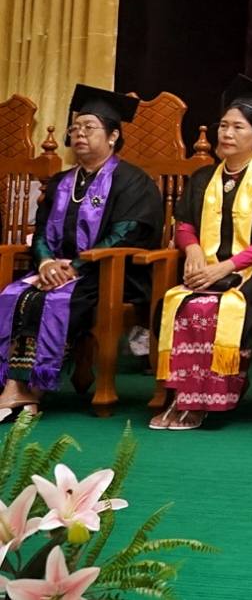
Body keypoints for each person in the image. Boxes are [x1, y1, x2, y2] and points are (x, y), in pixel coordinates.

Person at [152, 75, 252, 430]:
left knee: (213, 307)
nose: (227, 133)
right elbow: (185, 224)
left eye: (238, 127)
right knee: (179, 301)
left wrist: (226, 267)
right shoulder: (203, 178)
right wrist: (193, 250)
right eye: (223, 125)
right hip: (206, 268)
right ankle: (181, 394)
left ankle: (208, 398)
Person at [0, 86, 162, 421]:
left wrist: (75, 267)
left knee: (57, 300)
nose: (79, 134)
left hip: (112, 275)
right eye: (75, 128)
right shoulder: (61, 182)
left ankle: (28, 389)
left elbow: (127, 233)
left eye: (89, 127)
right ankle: (15, 387)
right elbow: (41, 230)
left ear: (113, 136)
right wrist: (46, 262)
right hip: (57, 271)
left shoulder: (133, 181)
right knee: (14, 294)